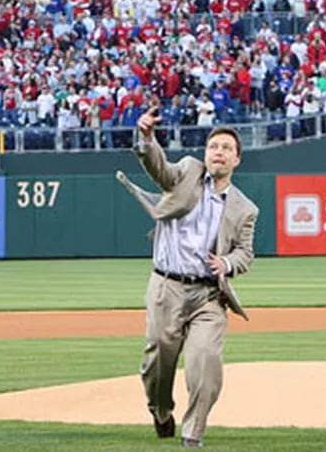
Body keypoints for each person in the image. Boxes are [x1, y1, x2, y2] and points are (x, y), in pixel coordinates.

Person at [117, 104, 258, 448]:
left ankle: (193, 433)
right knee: (157, 363)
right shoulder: (187, 171)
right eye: (214, 146)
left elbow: (245, 253)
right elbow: (160, 170)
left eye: (226, 148)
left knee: (205, 362)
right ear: (205, 153)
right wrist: (147, 138)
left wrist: (227, 263)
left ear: (237, 159)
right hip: (167, 287)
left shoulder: (245, 208)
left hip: (209, 296)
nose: (218, 152)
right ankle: (160, 410)